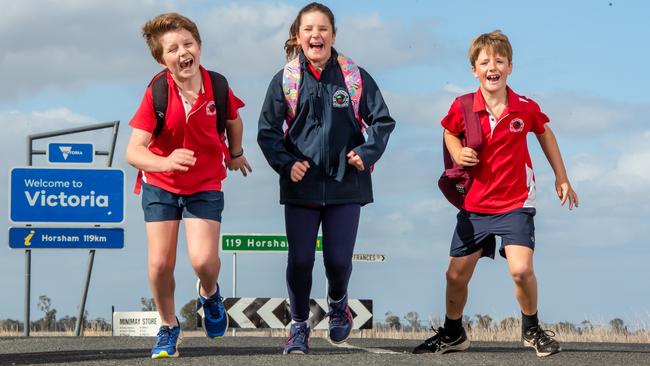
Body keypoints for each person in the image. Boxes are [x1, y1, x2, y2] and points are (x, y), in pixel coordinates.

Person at [413, 30, 579, 357]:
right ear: (474, 70)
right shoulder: (462, 105)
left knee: (520, 270)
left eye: (499, 61)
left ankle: (531, 329)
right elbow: (449, 131)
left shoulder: (525, 107)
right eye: (485, 61)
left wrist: (562, 176)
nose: (493, 66)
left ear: (510, 68)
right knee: (455, 276)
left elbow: (545, 134)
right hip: (475, 205)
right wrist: (457, 150)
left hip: (516, 203)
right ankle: (453, 333)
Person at [257, 2, 395, 355]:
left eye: (322, 29)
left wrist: (365, 154)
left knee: (337, 260)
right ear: (298, 36)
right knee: (300, 260)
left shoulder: (354, 76)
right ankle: (299, 325)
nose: (315, 35)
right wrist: (287, 164)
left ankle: (338, 302)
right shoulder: (286, 79)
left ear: (333, 35)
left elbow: (382, 122)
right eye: (308, 29)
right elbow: (267, 132)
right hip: (300, 185)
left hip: (346, 185)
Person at [125, 12, 251, 359]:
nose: (183, 52)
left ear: (199, 47)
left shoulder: (218, 86)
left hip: (204, 181)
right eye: (173, 49)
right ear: (162, 60)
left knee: (203, 261)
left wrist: (236, 154)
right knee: (160, 264)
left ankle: (209, 295)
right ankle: (168, 326)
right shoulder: (157, 93)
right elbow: (133, 151)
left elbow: (233, 120)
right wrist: (165, 162)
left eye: (188, 44)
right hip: (161, 183)